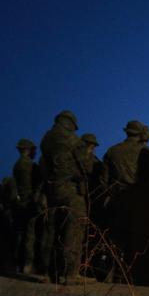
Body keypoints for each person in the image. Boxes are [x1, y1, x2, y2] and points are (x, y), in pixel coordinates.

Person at [40, 110, 92, 285]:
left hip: (52, 188)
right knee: (74, 229)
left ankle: (48, 273)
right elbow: (87, 166)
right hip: (71, 189)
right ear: (69, 123)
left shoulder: (46, 140)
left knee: (51, 230)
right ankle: (70, 273)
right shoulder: (72, 140)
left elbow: (43, 165)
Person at [101, 120, 149, 281]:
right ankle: (132, 275)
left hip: (117, 199)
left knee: (115, 237)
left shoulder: (113, 151)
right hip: (139, 200)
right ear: (140, 134)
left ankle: (111, 272)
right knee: (137, 238)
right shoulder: (146, 152)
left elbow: (103, 179)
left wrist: (110, 193)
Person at [13, 139, 40, 273]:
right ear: (28, 150)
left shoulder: (17, 165)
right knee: (29, 235)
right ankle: (28, 264)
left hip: (21, 202)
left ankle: (18, 263)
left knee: (21, 234)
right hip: (28, 202)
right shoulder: (28, 165)